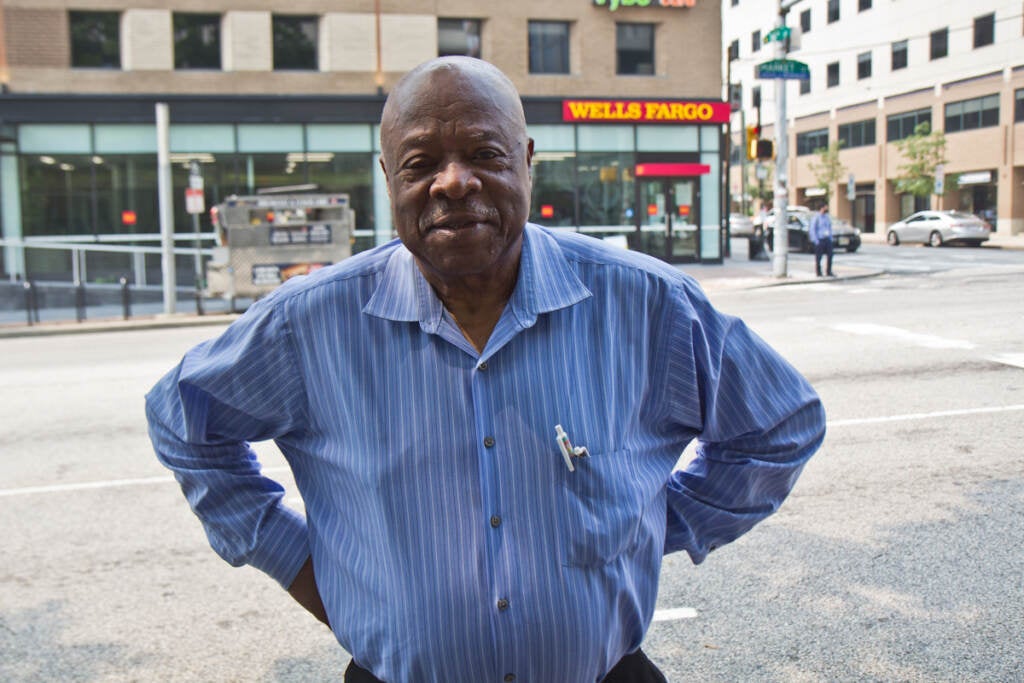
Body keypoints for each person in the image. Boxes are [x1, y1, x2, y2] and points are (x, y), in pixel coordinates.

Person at [146, 56, 825, 683]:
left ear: (526, 161)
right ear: (389, 179)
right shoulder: (309, 323)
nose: (454, 181)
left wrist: (655, 524)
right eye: (420, 163)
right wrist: (291, 558)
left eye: (483, 153)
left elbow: (780, 423)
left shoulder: (646, 304)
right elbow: (182, 418)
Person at [809, 204, 835, 277]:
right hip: (820, 239)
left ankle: (829, 271)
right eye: (825, 207)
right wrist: (816, 240)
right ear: (822, 208)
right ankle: (818, 272)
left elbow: (829, 227)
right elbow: (812, 229)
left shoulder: (827, 217)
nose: (827, 209)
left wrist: (830, 238)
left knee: (830, 255)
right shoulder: (816, 218)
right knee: (819, 257)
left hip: (827, 239)